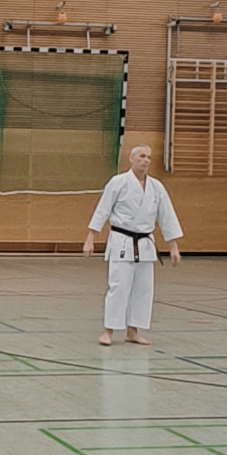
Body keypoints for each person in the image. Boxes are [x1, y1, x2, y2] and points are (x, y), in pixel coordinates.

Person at [83, 144, 183, 347]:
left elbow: (167, 216)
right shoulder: (118, 182)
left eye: (148, 157)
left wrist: (174, 245)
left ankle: (133, 331)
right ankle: (108, 331)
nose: (146, 160)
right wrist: (90, 238)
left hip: (145, 243)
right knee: (118, 287)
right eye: (142, 156)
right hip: (122, 241)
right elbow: (102, 210)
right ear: (131, 158)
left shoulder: (156, 187)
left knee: (143, 289)